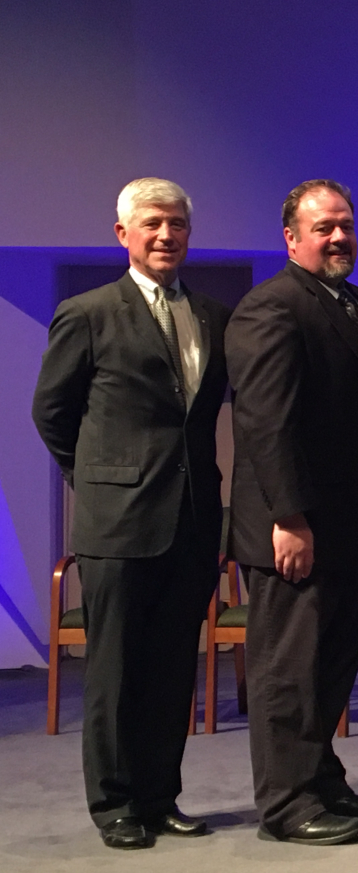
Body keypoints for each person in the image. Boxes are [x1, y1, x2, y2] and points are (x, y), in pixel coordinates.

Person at [32, 178, 230, 850]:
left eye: (177, 224)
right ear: (123, 233)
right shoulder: (86, 312)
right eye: (152, 223)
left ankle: (159, 794)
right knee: (117, 671)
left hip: (194, 519)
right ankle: (114, 803)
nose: (166, 235)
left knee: (175, 667)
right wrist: (95, 480)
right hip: (118, 525)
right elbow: (51, 413)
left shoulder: (210, 313)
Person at [225, 179, 358, 845]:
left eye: (345, 225)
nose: (336, 237)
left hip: (352, 522)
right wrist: (288, 517)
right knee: (288, 670)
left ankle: (323, 779)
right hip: (293, 525)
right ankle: (287, 802)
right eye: (322, 227)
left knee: (331, 663)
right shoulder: (270, 306)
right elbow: (267, 423)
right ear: (291, 237)